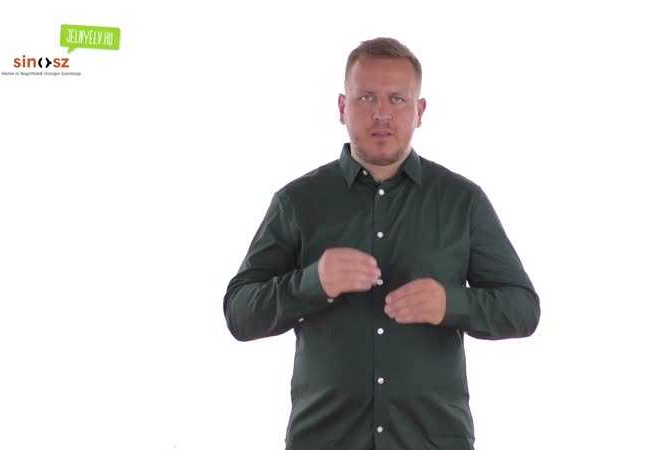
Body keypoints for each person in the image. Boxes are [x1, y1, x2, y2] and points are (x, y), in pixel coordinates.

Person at [223, 37, 540, 450]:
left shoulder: (462, 202)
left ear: (420, 111)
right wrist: (312, 283)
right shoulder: (297, 202)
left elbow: (522, 309)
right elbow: (239, 313)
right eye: (367, 97)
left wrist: (451, 304)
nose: (381, 114)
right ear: (342, 107)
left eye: (397, 99)